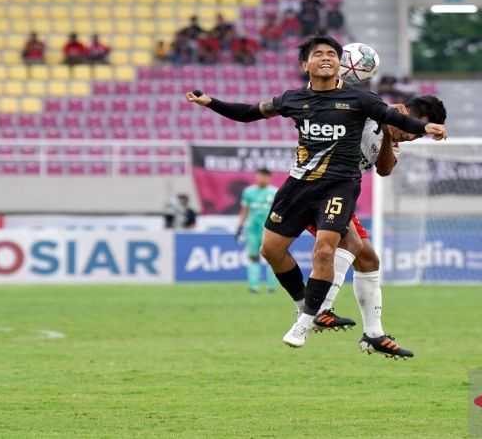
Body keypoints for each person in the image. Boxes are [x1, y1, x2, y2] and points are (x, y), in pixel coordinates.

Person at [185, 36, 446, 348]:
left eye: (332, 54)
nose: (326, 58)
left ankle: (333, 321)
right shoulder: (307, 100)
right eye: (319, 54)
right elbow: (251, 112)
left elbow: (386, 163)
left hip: (339, 187)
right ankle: (324, 313)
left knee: (354, 254)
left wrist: (407, 131)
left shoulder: (372, 112)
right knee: (281, 251)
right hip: (301, 186)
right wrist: (210, 102)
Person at [306, 94, 447, 358]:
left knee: (369, 261)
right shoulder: (368, 111)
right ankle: (318, 309)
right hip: (315, 186)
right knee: (351, 244)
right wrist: (381, 119)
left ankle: (373, 335)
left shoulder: (391, 136)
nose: (413, 137)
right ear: (405, 112)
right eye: (415, 129)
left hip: (336, 193)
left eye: (419, 136)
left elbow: (384, 170)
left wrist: (387, 133)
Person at [237, 168, 280, 293]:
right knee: (253, 257)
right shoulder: (248, 192)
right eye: (259, 176)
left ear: (269, 178)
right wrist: (239, 226)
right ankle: (253, 286)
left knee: (272, 257)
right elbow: (244, 210)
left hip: (269, 230)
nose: (261, 178)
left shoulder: (274, 192)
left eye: (264, 176)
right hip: (253, 230)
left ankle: (272, 287)